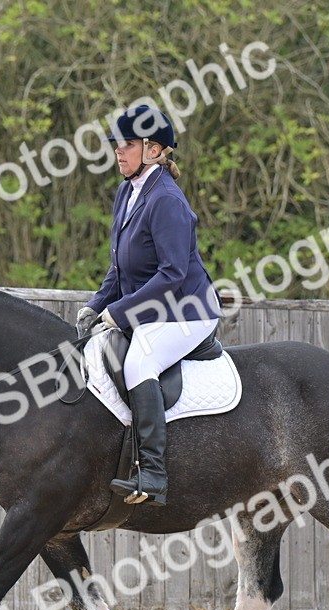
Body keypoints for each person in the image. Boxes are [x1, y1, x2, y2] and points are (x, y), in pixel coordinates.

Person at [76, 105, 223, 507]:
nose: (118, 151)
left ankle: (153, 473)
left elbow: (172, 274)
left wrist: (119, 312)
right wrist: (96, 304)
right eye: (116, 144)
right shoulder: (127, 192)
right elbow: (120, 264)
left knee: (140, 362)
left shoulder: (167, 200)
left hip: (188, 311)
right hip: (155, 306)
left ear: (154, 150)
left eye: (127, 144)